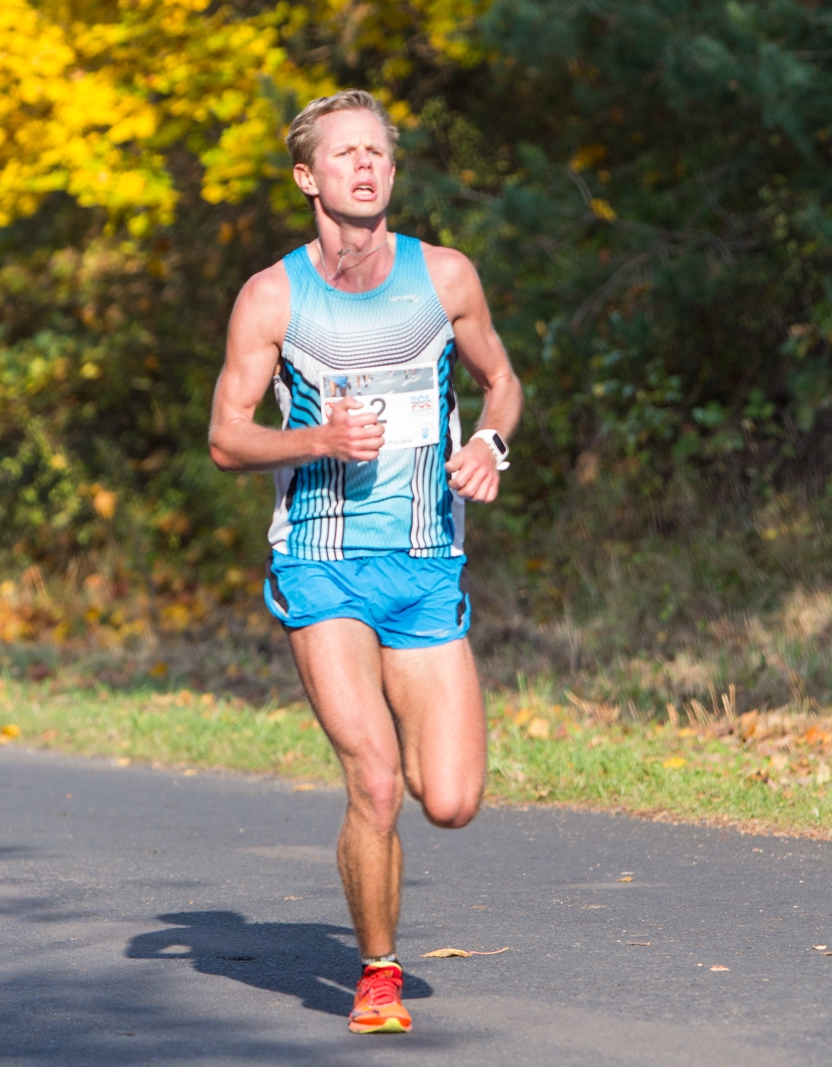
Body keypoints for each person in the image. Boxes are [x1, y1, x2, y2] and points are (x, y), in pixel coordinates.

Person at [208, 89, 522, 1035]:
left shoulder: (447, 278)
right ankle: (378, 973)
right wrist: (312, 440)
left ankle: (383, 875)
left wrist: (492, 448)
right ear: (308, 177)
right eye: (344, 154)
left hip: (427, 564)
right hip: (324, 565)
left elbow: (501, 380)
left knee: (453, 800)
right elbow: (227, 437)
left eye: (377, 152)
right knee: (375, 779)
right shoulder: (273, 296)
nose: (365, 165)